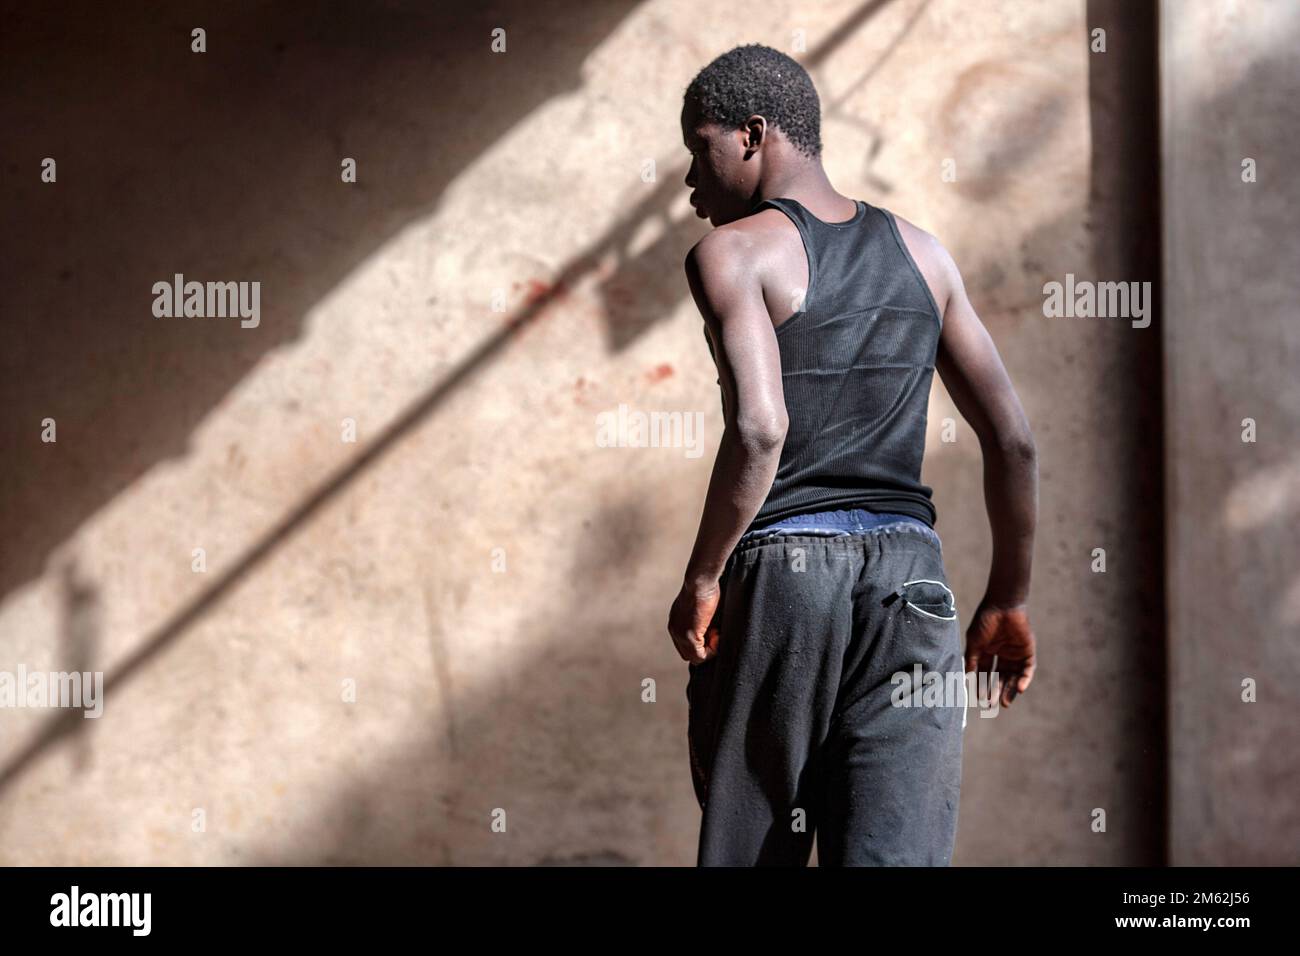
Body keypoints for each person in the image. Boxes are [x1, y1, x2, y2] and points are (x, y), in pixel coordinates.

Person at [666, 44, 1039, 866]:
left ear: (753, 135)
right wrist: (1007, 595)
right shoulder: (925, 254)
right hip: (915, 586)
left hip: (784, 582)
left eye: (701, 151)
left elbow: (763, 429)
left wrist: (702, 576)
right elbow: (1013, 439)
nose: (692, 185)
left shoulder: (732, 254)